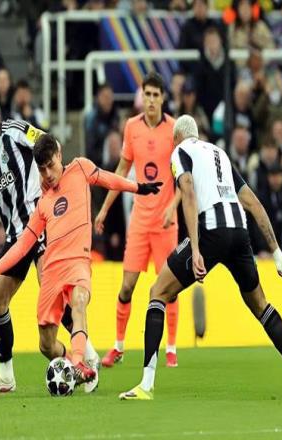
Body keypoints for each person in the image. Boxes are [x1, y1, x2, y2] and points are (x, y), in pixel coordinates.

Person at [119, 115, 282, 400]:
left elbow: (187, 192)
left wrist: (196, 250)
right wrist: (277, 253)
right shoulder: (219, 153)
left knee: (157, 292)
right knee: (260, 304)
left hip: (211, 232)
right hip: (240, 233)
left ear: (176, 138)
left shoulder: (180, 151)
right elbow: (253, 203)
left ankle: (146, 385)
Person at [0, 133, 162, 384]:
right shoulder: (43, 204)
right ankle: (77, 365)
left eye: (50, 165)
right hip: (51, 270)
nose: (47, 174)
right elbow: (22, 246)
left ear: (59, 155)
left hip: (78, 262)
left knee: (79, 302)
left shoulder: (81, 168)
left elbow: (108, 179)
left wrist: (138, 187)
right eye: (42, 169)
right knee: (46, 345)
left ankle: (81, 362)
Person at [0, 90, 100, 394]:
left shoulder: (18, 131)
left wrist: (57, 190)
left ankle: (87, 355)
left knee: (53, 292)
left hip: (43, 226)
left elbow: (51, 145)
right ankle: (6, 377)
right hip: (16, 237)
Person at [94, 72, 181, 369]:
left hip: (166, 222)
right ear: (142, 97)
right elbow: (121, 170)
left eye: (156, 95)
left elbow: (185, 176)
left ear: (163, 98)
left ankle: (171, 348)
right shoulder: (131, 127)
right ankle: (118, 346)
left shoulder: (174, 129)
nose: (151, 100)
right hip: (140, 221)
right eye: (147, 95)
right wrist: (105, 209)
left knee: (170, 287)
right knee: (127, 287)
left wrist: (173, 206)